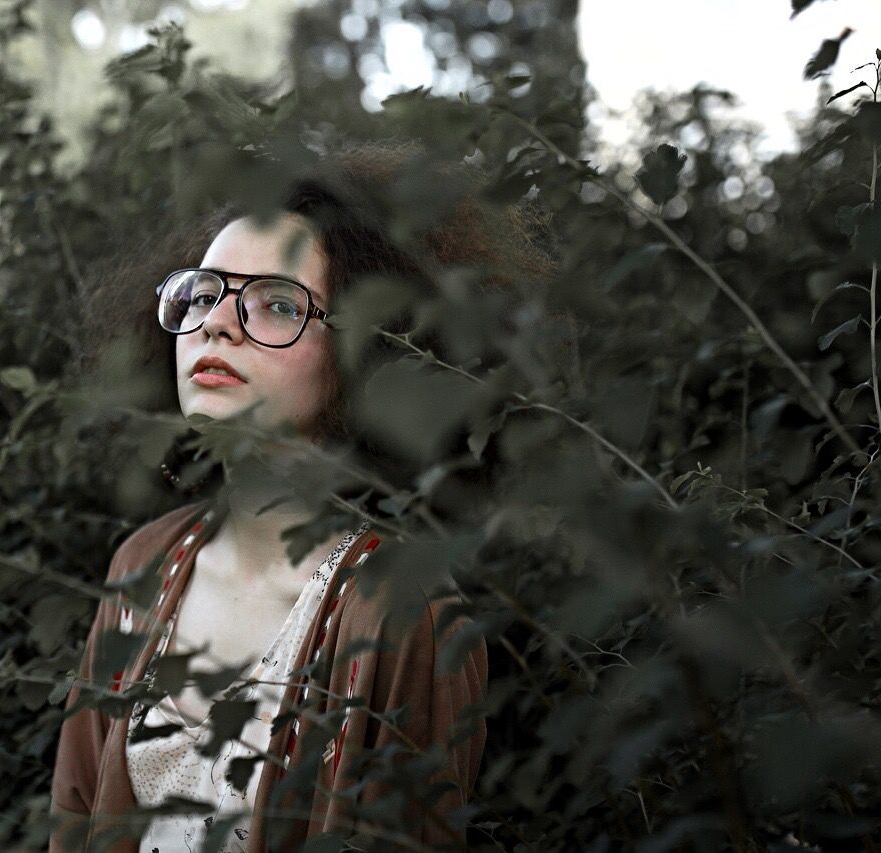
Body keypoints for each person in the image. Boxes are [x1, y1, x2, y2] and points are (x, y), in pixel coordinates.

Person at [49, 139, 555, 852]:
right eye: (203, 293)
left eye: (278, 304)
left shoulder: (406, 614)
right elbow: (75, 822)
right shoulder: (143, 564)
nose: (217, 323)